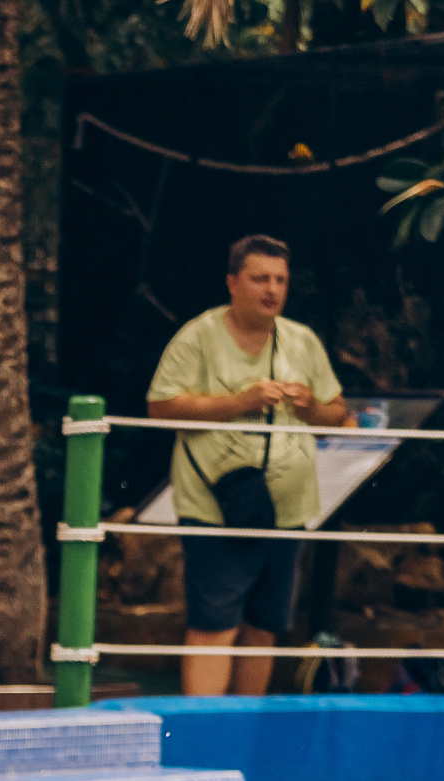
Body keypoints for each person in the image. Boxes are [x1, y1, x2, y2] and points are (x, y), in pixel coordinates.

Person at [147, 234, 349, 697]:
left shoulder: (302, 340)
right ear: (232, 283)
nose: (272, 290)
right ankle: (203, 737)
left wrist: (308, 406)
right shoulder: (197, 336)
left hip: (288, 511)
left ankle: (244, 738)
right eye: (260, 279)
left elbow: (337, 415)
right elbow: (160, 408)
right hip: (218, 507)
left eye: (280, 280)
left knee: (264, 626)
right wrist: (242, 401)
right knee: (215, 625)